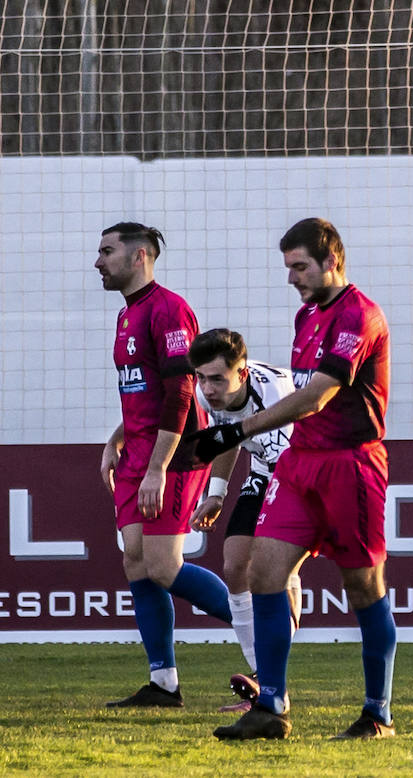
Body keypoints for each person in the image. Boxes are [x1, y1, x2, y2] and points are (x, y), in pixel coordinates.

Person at [190, 218, 395, 741]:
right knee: (263, 571)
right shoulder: (307, 315)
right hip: (300, 463)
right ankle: (271, 705)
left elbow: (317, 394)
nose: (291, 278)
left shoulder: (360, 315)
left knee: (363, 589)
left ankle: (378, 713)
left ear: (333, 261)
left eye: (299, 266)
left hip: (350, 464)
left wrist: (237, 430)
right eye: (288, 267)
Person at [95, 222, 233, 707]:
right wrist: (117, 437)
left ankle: (263, 625)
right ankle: (164, 684)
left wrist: (157, 467)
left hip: (172, 456)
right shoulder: (127, 315)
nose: (98, 261)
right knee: (136, 562)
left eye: (107, 251)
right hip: (136, 453)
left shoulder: (169, 309)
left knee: (162, 564)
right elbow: (142, 388)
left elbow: (180, 391)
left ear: (140, 257)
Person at [187, 328, 301, 713]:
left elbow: (287, 461)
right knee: (235, 565)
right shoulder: (211, 393)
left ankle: (272, 684)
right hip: (263, 467)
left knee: (272, 569)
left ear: (243, 374)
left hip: (301, 471)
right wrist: (216, 492)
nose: (208, 388)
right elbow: (229, 437)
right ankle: (260, 678)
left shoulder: (276, 398)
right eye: (201, 377)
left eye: (217, 378)